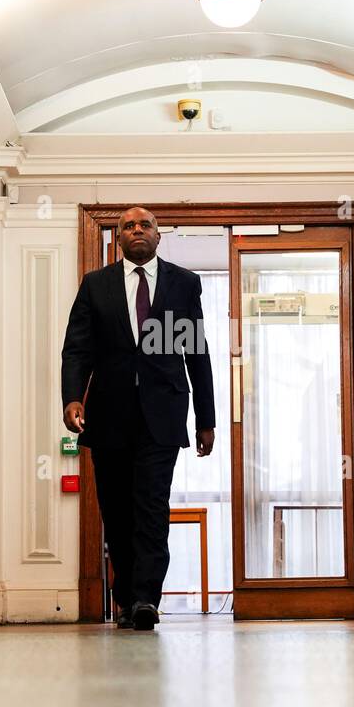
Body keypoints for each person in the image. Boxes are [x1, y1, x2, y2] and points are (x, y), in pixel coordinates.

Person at [60, 207, 215, 631]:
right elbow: (77, 348)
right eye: (128, 226)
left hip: (162, 415)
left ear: (158, 236)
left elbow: (196, 353)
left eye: (145, 225)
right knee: (116, 511)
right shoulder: (96, 285)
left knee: (151, 506)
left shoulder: (184, 284)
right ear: (119, 238)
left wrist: (206, 417)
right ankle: (126, 598)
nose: (137, 231)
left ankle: (147, 598)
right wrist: (73, 398)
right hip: (108, 416)